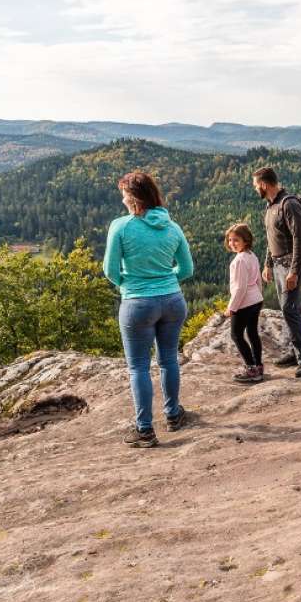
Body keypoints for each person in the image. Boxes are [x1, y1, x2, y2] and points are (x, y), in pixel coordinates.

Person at [103, 171, 193, 447]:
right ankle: (173, 414)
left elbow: (110, 270)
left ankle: (144, 430)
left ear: (132, 198)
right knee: (168, 360)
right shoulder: (172, 227)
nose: (121, 199)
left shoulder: (121, 226)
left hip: (137, 303)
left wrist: (128, 285)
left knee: (139, 367)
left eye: (123, 194)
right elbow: (187, 269)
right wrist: (164, 279)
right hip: (173, 301)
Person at [253, 166, 301, 377]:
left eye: (255, 185)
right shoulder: (271, 205)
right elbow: (272, 238)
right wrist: (268, 263)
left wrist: (294, 271)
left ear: (263, 184)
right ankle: (295, 352)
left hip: (291, 265)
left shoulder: (289, 204)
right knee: (291, 308)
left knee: (289, 307)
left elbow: (300, 239)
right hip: (278, 264)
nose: (255, 189)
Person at [223, 223, 264, 384]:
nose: (232, 243)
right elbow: (258, 279)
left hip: (244, 304)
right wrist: (260, 296)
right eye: (230, 240)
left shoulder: (239, 261)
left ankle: (251, 369)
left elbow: (240, 288)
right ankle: (259, 366)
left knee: (236, 335)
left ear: (246, 241)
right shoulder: (251, 255)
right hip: (256, 301)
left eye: (236, 240)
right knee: (252, 333)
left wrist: (231, 308)